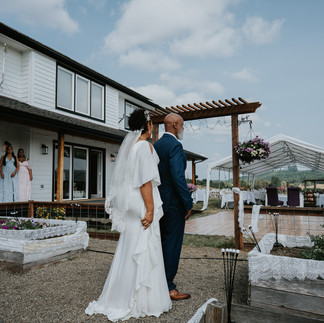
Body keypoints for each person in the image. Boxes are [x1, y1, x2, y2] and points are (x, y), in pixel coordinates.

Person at [85, 109, 172, 321]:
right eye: (151, 124)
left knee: (131, 245)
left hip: (132, 202)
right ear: (148, 126)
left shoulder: (132, 148)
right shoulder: (144, 147)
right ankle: (139, 300)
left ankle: (122, 294)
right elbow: (144, 182)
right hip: (142, 202)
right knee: (144, 245)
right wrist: (150, 210)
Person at [153, 113, 193, 300]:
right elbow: (178, 178)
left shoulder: (156, 146)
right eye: (182, 125)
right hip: (173, 205)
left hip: (158, 203)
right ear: (175, 125)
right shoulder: (175, 146)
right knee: (172, 244)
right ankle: (168, 287)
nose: (183, 128)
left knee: (160, 243)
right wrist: (188, 203)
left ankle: (157, 281)